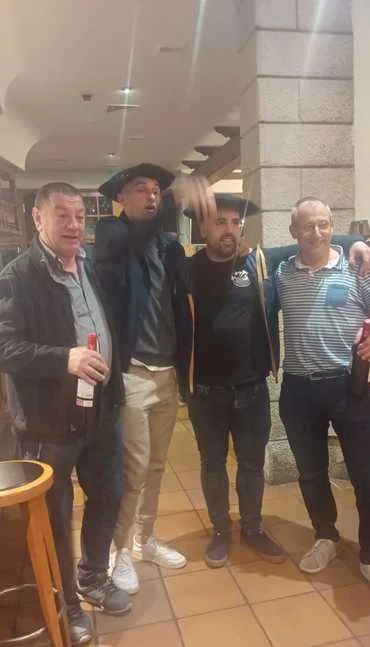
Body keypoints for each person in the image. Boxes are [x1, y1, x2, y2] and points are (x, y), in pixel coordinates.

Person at [179, 193, 370, 568]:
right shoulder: (185, 271)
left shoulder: (260, 262)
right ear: (202, 228)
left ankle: (252, 527)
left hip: (252, 387)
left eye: (235, 223)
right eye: (219, 222)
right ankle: (220, 531)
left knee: (252, 464)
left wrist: (356, 242)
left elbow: (313, 238)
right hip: (205, 390)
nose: (229, 230)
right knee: (212, 463)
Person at [0, 182, 131, 647]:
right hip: (49, 421)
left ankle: (92, 576)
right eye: (63, 216)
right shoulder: (17, 277)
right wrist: (65, 358)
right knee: (56, 515)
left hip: (100, 409)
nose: (75, 225)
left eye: (80, 216)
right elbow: (6, 347)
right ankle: (67, 604)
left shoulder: (89, 266)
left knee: (109, 495)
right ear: (38, 219)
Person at [276, 196, 370, 609]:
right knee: (311, 473)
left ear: (332, 227)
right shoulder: (281, 273)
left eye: (324, 224)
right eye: (307, 226)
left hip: (350, 388)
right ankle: (326, 536)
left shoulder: (356, 265)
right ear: (294, 232)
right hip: (299, 389)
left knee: (368, 477)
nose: (316, 233)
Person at [94, 164, 215, 594]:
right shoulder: (111, 236)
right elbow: (129, 240)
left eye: (156, 191)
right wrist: (176, 200)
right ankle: (120, 550)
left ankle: (145, 540)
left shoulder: (170, 248)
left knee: (158, 465)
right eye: (141, 190)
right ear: (120, 198)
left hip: (167, 375)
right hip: (132, 375)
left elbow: (197, 280)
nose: (150, 196)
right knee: (134, 469)